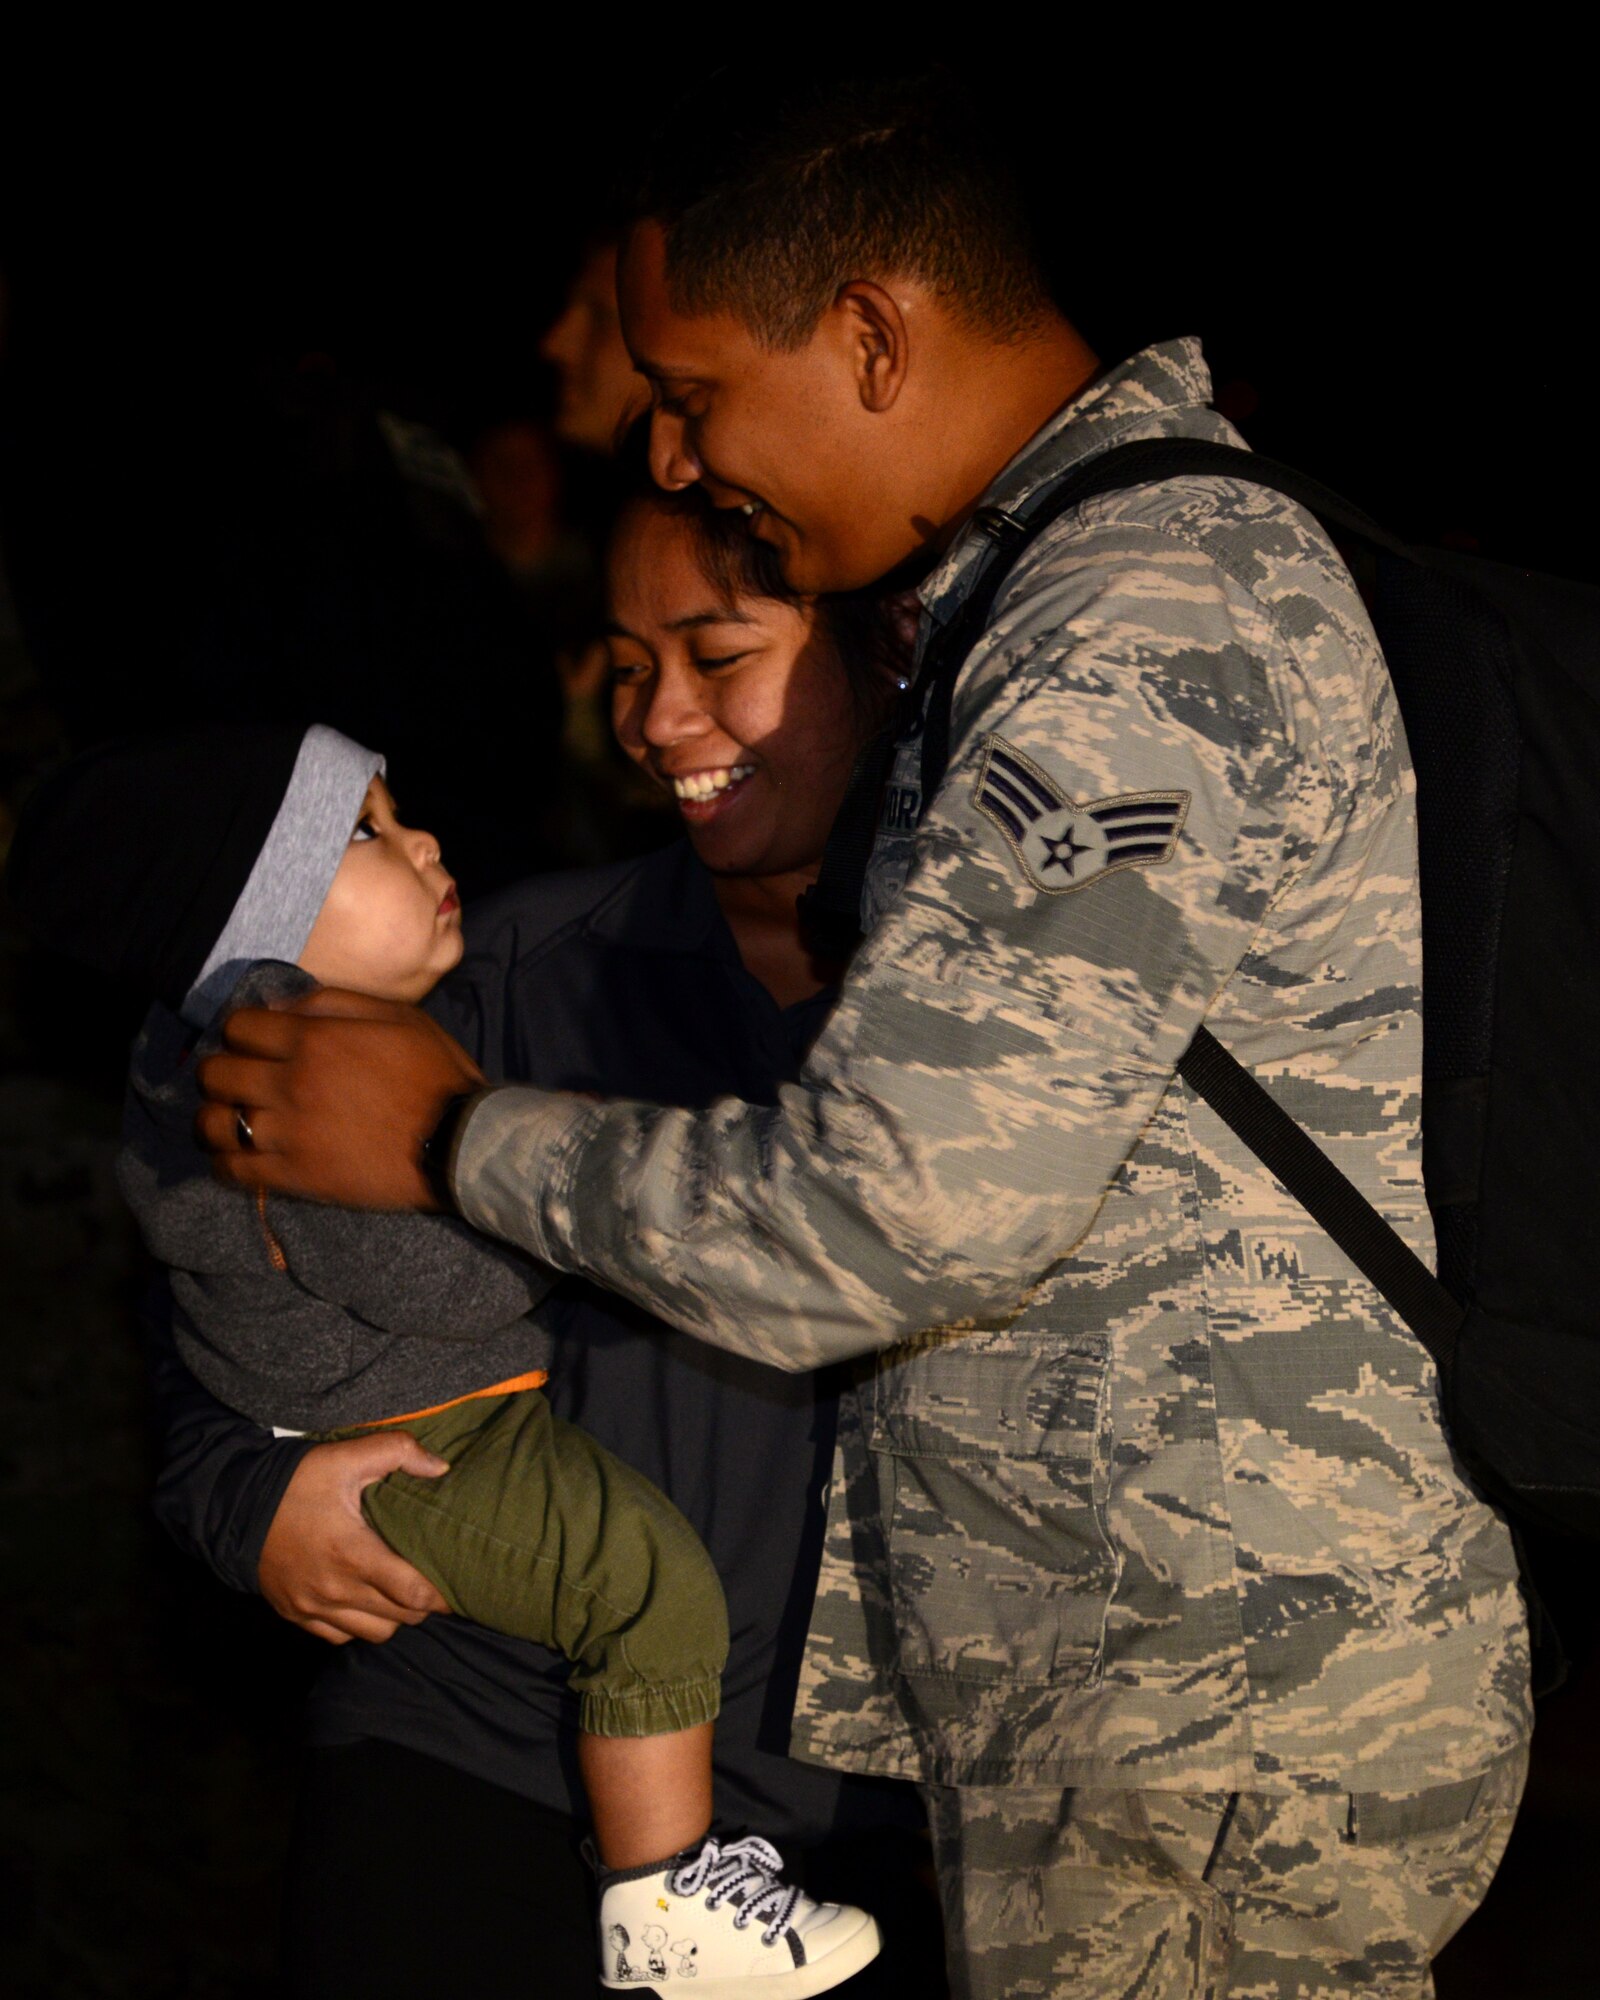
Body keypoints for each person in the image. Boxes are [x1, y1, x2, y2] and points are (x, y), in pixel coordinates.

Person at [194, 71, 1532, 2000]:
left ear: (874, 333)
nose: (665, 459)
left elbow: (897, 1208)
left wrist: (443, 1138)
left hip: (1217, 1696)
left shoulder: (1136, 613)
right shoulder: (1048, 594)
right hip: (1138, 1685)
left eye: (693, 390)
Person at [6, 714, 883, 1998]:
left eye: (727, 653)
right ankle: (671, 1896)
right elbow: (217, 1331)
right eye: (632, 663)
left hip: (854, 1787)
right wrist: (248, 1496)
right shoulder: (423, 1008)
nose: (661, 713)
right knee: (640, 1582)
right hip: (473, 1743)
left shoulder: (999, 1012)